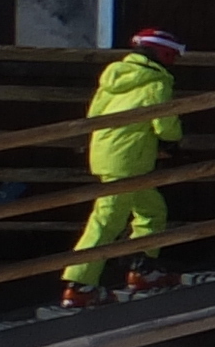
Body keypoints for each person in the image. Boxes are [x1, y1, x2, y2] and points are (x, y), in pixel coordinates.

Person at [61, 27, 188, 307]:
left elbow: (94, 114)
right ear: (163, 54)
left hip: (106, 152)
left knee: (151, 211)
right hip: (129, 159)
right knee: (106, 220)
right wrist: (171, 142)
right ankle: (80, 285)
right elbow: (164, 120)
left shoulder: (113, 76)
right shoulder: (157, 80)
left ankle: (143, 269)